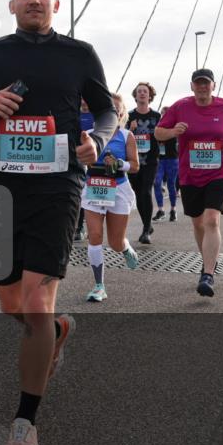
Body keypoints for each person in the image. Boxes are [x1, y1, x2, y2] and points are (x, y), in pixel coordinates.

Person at [0, 0, 116, 445]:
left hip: (57, 184)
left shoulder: (79, 54)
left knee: (36, 303)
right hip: (1, 186)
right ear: (11, 4)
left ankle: (25, 425)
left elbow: (107, 113)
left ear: (56, 4)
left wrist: (98, 141)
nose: (35, 1)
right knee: (10, 304)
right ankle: (59, 332)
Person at [155, 69, 223, 297]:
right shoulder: (180, 107)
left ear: (213, 86)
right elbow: (158, 133)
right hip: (189, 174)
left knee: (211, 219)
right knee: (198, 223)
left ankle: (208, 274)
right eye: (198, 84)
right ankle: (208, 260)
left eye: (206, 83)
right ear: (192, 86)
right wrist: (172, 131)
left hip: (220, 171)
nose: (202, 87)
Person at [81, 94, 140, 302]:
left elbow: (135, 166)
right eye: (108, 108)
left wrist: (118, 163)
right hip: (94, 187)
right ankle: (99, 286)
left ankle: (124, 248)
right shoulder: (87, 134)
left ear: (122, 113)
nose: (112, 112)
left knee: (115, 242)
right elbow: (78, 158)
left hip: (118, 188)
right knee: (95, 236)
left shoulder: (126, 136)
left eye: (116, 109)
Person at [127, 82, 161, 244]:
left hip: (150, 161)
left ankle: (146, 229)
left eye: (145, 91)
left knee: (146, 192)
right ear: (135, 95)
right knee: (139, 194)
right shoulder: (128, 116)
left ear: (150, 96)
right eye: (139, 91)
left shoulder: (156, 117)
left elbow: (163, 136)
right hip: (133, 161)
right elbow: (121, 137)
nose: (142, 93)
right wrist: (130, 129)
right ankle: (147, 224)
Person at [74, 99, 95, 241]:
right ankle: (80, 227)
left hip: (93, 156)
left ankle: (92, 228)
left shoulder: (96, 116)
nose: (84, 102)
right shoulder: (75, 114)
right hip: (78, 156)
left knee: (92, 194)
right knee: (82, 192)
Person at [153, 125, 179, 221]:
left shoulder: (175, 129)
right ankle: (161, 210)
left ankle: (173, 210)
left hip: (173, 159)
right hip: (160, 160)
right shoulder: (157, 129)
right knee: (156, 183)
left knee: (171, 185)